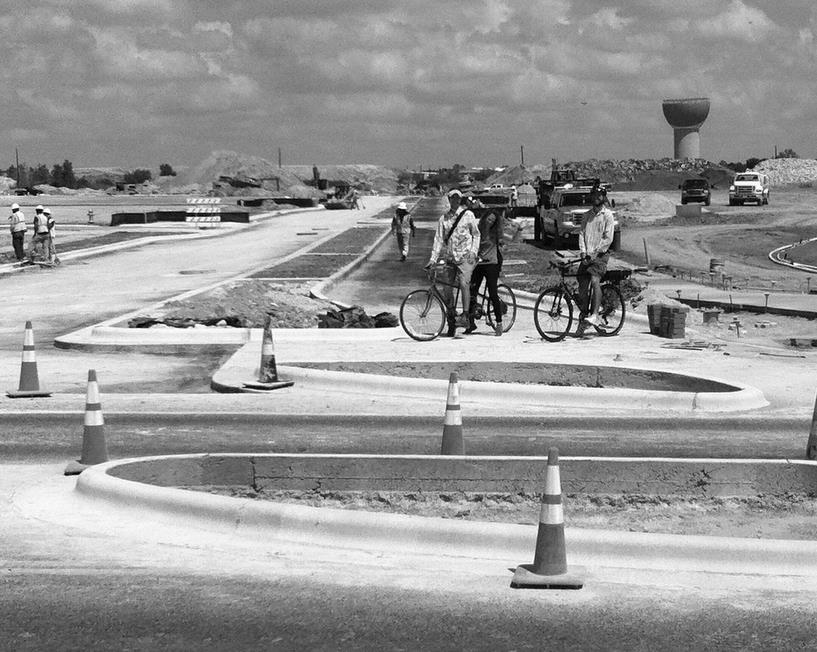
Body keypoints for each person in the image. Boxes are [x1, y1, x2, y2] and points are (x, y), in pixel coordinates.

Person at [426, 188, 480, 336]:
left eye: (458, 198)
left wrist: (473, 252)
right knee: (446, 289)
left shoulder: (468, 215)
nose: (455, 201)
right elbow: (438, 240)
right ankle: (451, 319)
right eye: (452, 198)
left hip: (465, 257)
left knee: (464, 283)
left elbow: (476, 235)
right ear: (449, 200)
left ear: (460, 200)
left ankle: (465, 316)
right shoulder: (443, 219)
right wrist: (432, 259)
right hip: (450, 257)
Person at [576, 189, 615, 329]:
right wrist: (583, 251)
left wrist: (596, 252)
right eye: (594, 195)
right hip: (587, 255)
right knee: (581, 283)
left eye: (599, 195)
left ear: (603, 197)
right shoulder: (586, 216)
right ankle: (585, 314)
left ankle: (595, 314)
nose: (596, 198)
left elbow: (608, 238)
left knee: (594, 280)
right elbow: (581, 233)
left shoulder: (608, 215)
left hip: (600, 255)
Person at [467, 202, 505, 336]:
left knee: (492, 292)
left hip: (492, 264)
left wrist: (503, 242)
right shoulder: (478, 229)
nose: (490, 222)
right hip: (479, 264)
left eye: (493, 221)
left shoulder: (496, 232)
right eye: (489, 219)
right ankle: (470, 322)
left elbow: (503, 241)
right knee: (471, 291)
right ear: (485, 218)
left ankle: (499, 322)